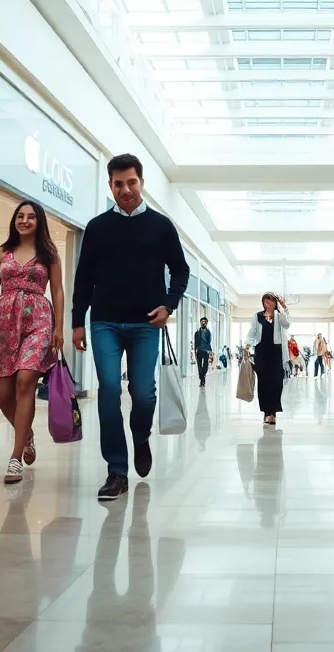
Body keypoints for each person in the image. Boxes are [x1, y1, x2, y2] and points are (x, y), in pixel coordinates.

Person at [72, 154, 190, 501]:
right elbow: (84, 279)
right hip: (105, 321)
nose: (125, 189)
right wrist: (78, 322)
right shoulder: (97, 227)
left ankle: (140, 436)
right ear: (110, 186)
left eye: (131, 182)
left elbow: (180, 270)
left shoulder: (161, 225)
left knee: (143, 392)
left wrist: (169, 304)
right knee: (108, 389)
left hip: (145, 323)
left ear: (141, 182)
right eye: (118, 184)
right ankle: (117, 471)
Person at [0, 201, 63, 484]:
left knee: (26, 381)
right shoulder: (2, 252)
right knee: (3, 398)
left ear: (39, 221)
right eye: (20, 216)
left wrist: (59, 327)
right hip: (4, 323)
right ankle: (27, 435)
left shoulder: (49, 254)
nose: (25, 221)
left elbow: (58, 290)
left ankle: (14, 459)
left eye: (31, 217)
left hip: (38, 321)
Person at [245, 293, 291, 426]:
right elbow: (252, 331)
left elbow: (287, 324)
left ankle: (274, 413)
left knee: (276, 383)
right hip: (261, 353)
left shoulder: (279, 316)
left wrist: (284, 308)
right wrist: (247, 345)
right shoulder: (257, 316)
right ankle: (266, 413)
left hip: (276, 353)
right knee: (264, 383)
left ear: (275, 303)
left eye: (271, 301)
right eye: (266, 301)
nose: (268, 304)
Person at [194, 317, 212, 388]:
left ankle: (202, 376)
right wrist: (195, 350)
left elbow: (209, 342)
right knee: (199, 365)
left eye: (204, 321)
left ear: (206, 323)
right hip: (199, 350)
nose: (203, 322)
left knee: (205, 365)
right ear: (200, 322)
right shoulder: (197, 332)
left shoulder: (208, 332)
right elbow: (195, 342)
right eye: (202, 321)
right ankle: (202, 379)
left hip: (206, 350)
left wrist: (210, 351)